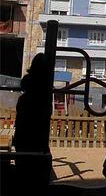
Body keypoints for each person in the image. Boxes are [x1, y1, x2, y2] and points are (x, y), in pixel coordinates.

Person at [13, 53, 53, 191]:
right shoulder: (45, 95)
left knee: (23, 168)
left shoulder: (24, 98)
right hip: (38, 137)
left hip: (23, 137)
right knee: (39, 169)